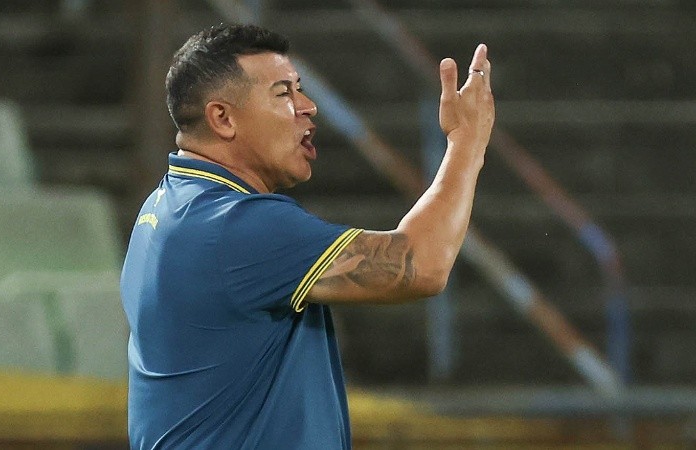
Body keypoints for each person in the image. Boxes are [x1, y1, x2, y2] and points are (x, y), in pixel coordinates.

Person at [120, 23, 494, 450]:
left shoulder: (164, 206)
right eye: (284, 94)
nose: (308, 106)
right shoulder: (232, 225)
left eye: (300, 89)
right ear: (222, 118)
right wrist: (467, 141)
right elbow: (421, 265)